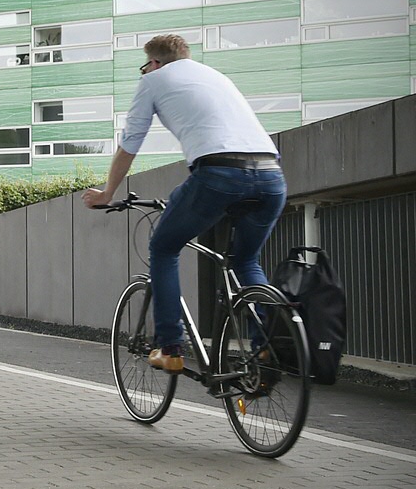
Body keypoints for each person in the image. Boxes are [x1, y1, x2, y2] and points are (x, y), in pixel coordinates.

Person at [82, 33, 285, 372]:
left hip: (219, 174)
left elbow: (130, 143)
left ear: (155, 63)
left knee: (164, 247)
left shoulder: (153, 81)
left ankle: (170, 347)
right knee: (246, 260)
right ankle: (265, 350)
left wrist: (107, 193)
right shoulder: (216, 76)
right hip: (271, 176)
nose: (144, 71)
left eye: (145, 65)